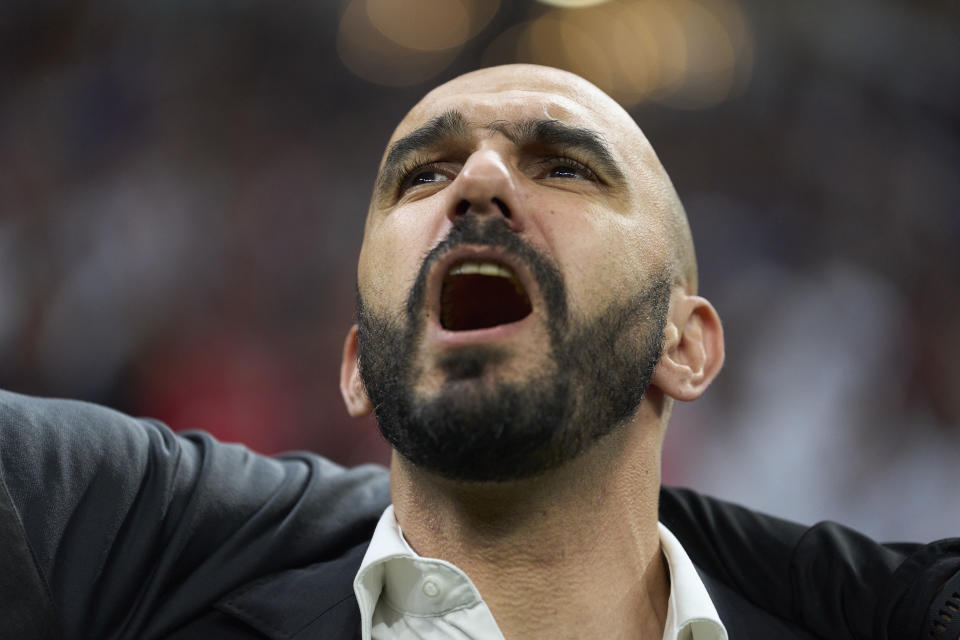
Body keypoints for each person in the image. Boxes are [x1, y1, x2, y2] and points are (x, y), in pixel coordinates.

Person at [0, 64, 957, 640]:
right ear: (357, 366)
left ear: (687, 346)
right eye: (423, 171)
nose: (481, 182)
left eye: (564, 165)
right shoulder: (130, 563)